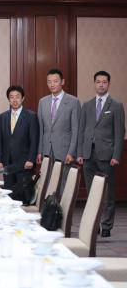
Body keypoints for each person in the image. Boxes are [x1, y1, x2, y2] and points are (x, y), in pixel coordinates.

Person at [77, 71, 125, 238]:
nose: (101, 84)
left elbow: (120, 133)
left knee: (108, 193)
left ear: (108, 84)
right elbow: (82, 131)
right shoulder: (87, 105)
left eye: (104, 82)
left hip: (107, 155)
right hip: (88, 155)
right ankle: (94, 224)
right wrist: (80, 153)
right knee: (92, 193)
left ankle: (106, 225)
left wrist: (117, 155)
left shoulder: (116, 106)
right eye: (98, 82)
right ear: (94, 84)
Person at [37, 68, 80, 193]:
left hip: (64, 150)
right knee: (46, 182)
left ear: (62, 82)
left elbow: (75, 129)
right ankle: (48, 210)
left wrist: (71, 152)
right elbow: (41, 129)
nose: (52, 84)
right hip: (46, 150)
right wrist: (39, 151)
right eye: (49, 81)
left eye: (55, 81)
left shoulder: (73, 101)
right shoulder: (42, 102)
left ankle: (63, 211)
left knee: (64, 184)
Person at [0, 86, 39, 190]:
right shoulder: (3, 117)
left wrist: (31, 159)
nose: (14, 100)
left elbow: (34, 140)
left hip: (24, 164)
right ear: (8, 99)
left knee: (22, 195)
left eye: (17, 97)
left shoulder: (31, 116)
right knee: (8, 193)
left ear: (23, 98)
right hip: (7, 163)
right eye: (11, 97)